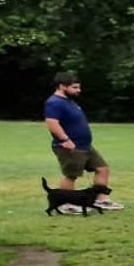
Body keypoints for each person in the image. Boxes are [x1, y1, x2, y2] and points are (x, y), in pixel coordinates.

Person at [43, 72, 120, 211]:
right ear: (62, 86)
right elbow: (52, 123)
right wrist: (65, 139)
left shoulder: (69, 101)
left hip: (85, 145)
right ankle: (66, 204)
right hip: (69, 146)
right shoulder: (54, 102)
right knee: (71, 175)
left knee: (102, 169)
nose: (78, 90)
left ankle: (101, 200)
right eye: (74, 87)